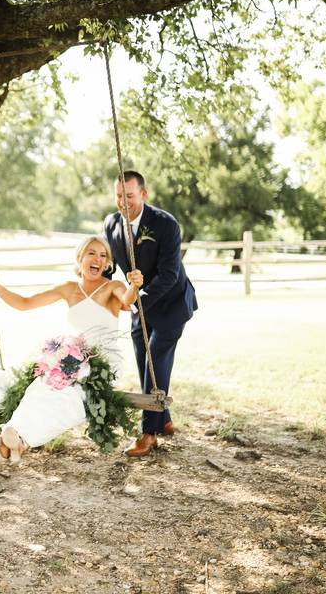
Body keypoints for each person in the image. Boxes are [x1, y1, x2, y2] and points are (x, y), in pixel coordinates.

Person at [0, 235, 143, 463]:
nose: (98, 259)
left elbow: (127, 299)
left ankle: (19, 442)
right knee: (40, 387)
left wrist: (134, 285)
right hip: (72, 356)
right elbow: (25, 303)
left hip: (103, 362)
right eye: (92, 253)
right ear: (80, 258)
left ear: (107, 264)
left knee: (69, 397)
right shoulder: (68, 289)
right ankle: (10, 439)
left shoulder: (113, 287)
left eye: (103, 255)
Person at [103, 170, 197, 457]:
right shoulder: (110, 224)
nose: (123, 202)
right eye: (119, 196)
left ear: (144, 194)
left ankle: (149, 434)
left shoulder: (166, 224)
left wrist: (136, 302)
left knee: (155, 360)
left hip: (171, 305)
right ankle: (164, 418)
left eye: (129, 196)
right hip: (139, 308)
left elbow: (169, 275)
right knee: (145, 363)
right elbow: (109, 266)